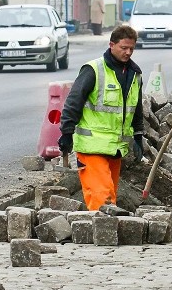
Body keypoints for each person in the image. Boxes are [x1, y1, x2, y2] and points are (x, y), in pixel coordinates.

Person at [58, 25, 144, 210]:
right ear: (111, 44)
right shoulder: (93, 70)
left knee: (110, 197)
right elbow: (73, 102)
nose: (128, 52)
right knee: (102, 199)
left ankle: (105, 234)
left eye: (131, 49)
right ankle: (103, 235)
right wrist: (66, 133)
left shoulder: (135, 75)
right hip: (92, 148)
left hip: (115, 149)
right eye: (124, 48)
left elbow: (136, 107)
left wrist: (138, 136)